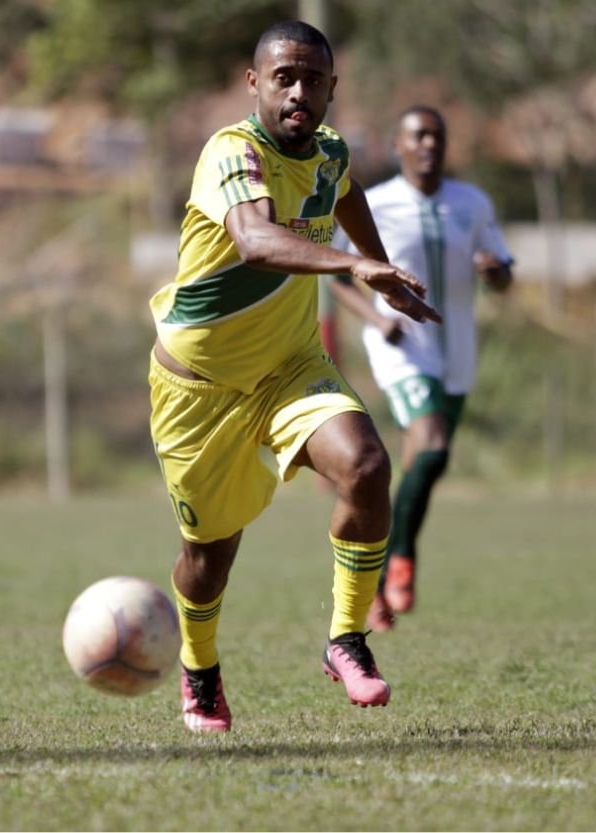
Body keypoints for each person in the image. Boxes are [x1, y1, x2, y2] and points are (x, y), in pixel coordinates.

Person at [148, 20, 440, 733]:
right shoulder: (232, 151)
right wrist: (354, 265)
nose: (298, 92)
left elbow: (345, 191)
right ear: (255, 84)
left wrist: (381, 269)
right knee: (208, 558)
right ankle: (200, 667)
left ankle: (346, 638)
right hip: (199, 389)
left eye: (313, 79)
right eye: (284, 78)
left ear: (333, 87)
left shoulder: (330, 150)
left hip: (288, 367)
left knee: (368, 466)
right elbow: (254, 240)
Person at [329, 106, 513, 631]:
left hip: (458, 350)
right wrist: (376, 319)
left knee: (425, 462)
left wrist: (494, 272)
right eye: (418, 136)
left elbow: (503, 275)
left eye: (437, 136)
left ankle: (377, 579)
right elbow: (338, 277)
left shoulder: (471, 202)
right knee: (432, 445)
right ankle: (402, 559)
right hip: (403, 345)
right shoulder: (377, 202)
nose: (429, 144)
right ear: (398, 146)